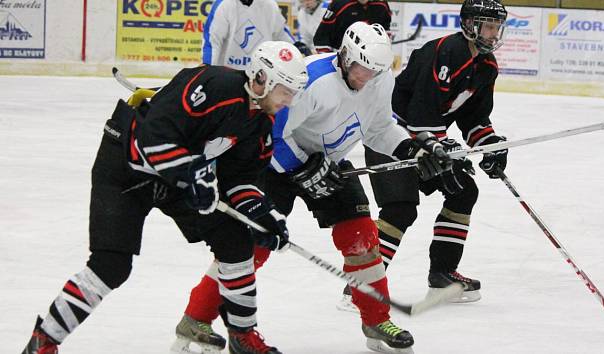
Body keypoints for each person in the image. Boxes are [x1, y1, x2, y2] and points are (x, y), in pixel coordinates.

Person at [178, 22, 455, 354]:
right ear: (346, 54)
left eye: (374, 71)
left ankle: (376, 320)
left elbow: (380, 127)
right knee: (251, 248)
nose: (365, 77)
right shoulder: (312, 80)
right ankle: (196, 317)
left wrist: (412, 150)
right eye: (360, 67)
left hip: (329, 164)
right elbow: (273, 134)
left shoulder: (380, 81)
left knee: (362, 239)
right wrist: (303, 167)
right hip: (276, 166)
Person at [21, 41, 308, 354]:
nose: (289, 101)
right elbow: (153, 135)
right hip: (125, 165)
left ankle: (243, 336)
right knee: (111, 265)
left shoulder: (260, 123)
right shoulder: (215, 86)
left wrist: (262, 213)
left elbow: (239, 178)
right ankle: (43, 341)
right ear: (261, 79)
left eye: (293, 93)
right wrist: (191, 174)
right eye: (285, 91)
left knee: (236, 241)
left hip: (178, 178)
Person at [347, 0, 509, 305]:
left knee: (463, 191)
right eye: (488, 26)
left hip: (428, 143)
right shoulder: (447, 52)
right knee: (401, 207)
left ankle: (443, 274)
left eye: (497, 27)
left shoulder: (486, 67)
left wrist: (490, 145)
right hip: (393, 138)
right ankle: (362, 286)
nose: (494, 33)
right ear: (471, 26)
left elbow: (473, 119)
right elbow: (421, 112)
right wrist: (441, 148)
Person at [203, 0, 310, 68]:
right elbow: (212, 41)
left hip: (260, 72)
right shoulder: (224, 5)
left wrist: (296, 47)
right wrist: (207, 67)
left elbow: (280, 33)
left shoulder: (269, 5)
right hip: (228, 72)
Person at [313, 0, 391, 53]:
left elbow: (385, 30)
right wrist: (328, 58)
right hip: (340, 54)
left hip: (371, 55)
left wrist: (383, 49)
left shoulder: (381, 4)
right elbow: (321, 36)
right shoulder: (339, 4)